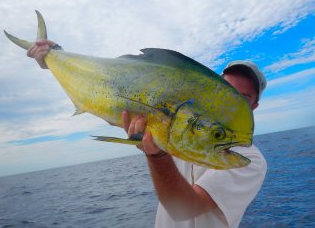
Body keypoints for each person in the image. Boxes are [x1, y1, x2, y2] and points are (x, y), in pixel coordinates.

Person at [28, 41, 267, 228]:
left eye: (243, 98)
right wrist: (54, 56)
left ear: (254, 106)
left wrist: (156, 156)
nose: (232, 100)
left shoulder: (250, 161)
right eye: (227, 90)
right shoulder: (182, 126)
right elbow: (110, 103)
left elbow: (185, 208)